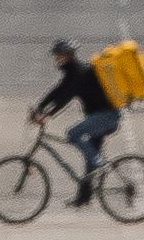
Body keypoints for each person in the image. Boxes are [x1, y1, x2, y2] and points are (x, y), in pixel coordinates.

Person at [33, 38, 125, 205]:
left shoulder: (79, 72)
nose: (57, 59)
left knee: (73, 134)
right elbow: (58, 91)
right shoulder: (72, 72)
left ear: (67, 55)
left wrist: (47, 115)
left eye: (58, 56)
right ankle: (83, 198)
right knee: (89, 158)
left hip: (106, 116)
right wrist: (39, 106)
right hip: (100, 117)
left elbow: (65, 98)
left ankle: (99, 162)